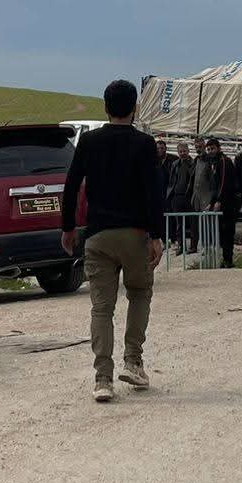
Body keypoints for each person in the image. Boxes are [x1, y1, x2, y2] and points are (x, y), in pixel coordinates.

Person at [62, 79, 166, 403]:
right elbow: (154, 193)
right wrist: (157, 236)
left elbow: (70, 185)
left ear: (105, 108)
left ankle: (102, 378)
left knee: (101, 308)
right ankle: (133, 362)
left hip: (98, 235)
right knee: (139, 293)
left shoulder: (89, 141)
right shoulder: (145, 144)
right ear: (135, 108)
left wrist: (68, 228)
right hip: (134, 234)